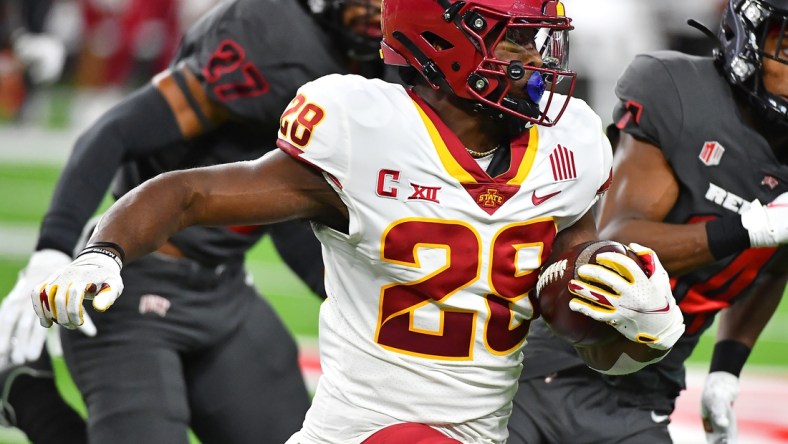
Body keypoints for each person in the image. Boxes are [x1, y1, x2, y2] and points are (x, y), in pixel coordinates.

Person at [30, 0, 687, 442]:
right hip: (364, 431)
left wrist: (641, 332)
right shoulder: (365, 128)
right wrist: (101, 252)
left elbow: (579, 333)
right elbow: (190, 194)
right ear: (446, 41)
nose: (540, 62)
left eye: (542, 42)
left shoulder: (570, 148)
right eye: (517, 40)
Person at [0, 0, 388, 442]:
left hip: (225, 289)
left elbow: (290, 208)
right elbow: (115, 131)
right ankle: (25, 393)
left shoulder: (389, 63)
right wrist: (52, 248)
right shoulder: (272, 39)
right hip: (133, 284)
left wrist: (362, 300)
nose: (379, 10)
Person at [507, 0, 788, 443]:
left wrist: (725, 372)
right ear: (749, 38)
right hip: (555, 361)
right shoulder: (680, 93)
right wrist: (752, 226)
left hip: (648, 392)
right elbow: (619, 243)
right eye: (787, 45)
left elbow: (771, 266)